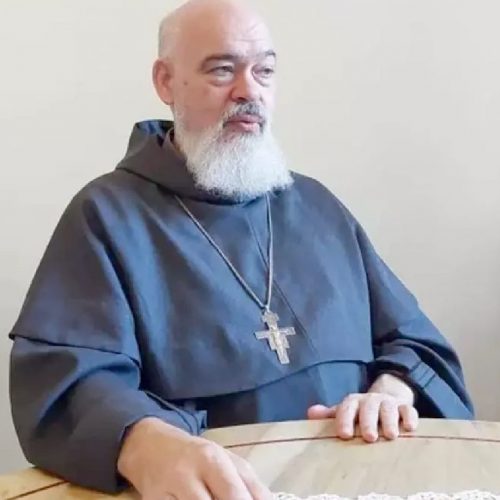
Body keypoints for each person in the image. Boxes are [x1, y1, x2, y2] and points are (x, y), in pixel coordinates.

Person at [9, 0, 474, 498]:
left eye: (264, 71)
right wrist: (143, 441)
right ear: (166, 82)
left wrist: (392, 390)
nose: (248, 91)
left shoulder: (317, 206)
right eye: (222, 69)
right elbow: (68, 381)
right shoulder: (106, 215)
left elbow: (417, 346)